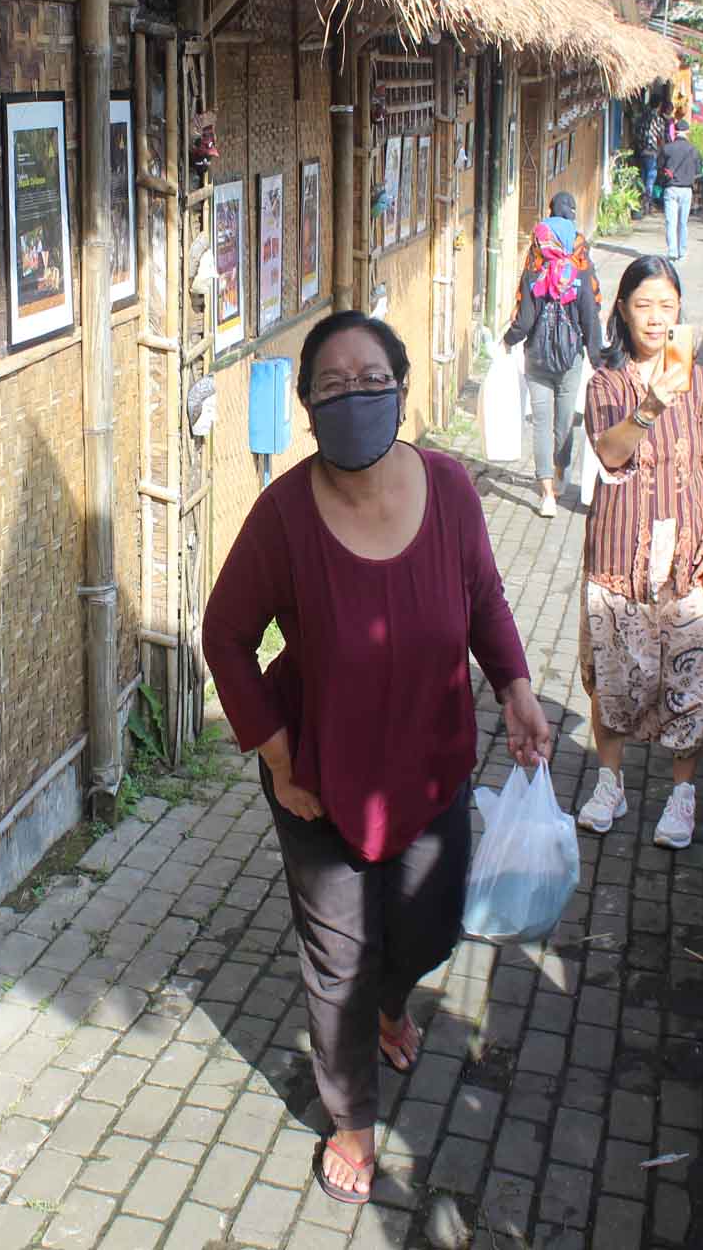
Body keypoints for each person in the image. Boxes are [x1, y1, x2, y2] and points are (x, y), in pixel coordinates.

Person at [202, 311, 554, 1207]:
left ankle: (395, 1004)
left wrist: (514, 685)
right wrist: (278, 758)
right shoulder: (284, 516)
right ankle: (351, 1117)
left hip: (431, 768)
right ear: (309, 406)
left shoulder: (450, 487)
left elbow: (482, 595)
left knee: (430, 929)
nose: (354, 397)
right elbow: (226, 636)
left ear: (400, 386)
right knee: (340, 962)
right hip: (318, 777)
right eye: (333, 385)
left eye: (372, 380)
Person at [576, 256, 703, 852]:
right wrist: (650, 406)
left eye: (666, 305)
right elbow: (611, 454)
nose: (655, 316)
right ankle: (610, 783)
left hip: (690, 561)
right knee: (613, 679)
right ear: (621, 309)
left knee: (693, 678)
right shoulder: (606, 382)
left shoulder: (698, 379)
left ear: (678, 312)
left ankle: (681, 795)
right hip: (619, 557)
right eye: (643, 304)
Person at [503, 191, 604, 518]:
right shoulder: (581, 270)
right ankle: (560, 476)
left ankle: (546, 495)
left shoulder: (534, 269)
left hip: (537, 358)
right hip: (570, 359)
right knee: (564, 423)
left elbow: (525, 321)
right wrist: (597, 357)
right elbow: (590, 317)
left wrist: (508, 340)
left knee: (541, 424)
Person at [658, 125, 703, 262]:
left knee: (671, 222)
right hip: (686, 190)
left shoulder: (667, 148)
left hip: (671, 188)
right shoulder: (693, 150)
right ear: (687, 132)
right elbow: (699, 170)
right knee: (683, 223)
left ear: (675, 132)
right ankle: (682, 252)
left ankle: (672, 251)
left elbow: (659, 165)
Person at [636, 103, 665, 215]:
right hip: (652, 152)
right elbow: (660, 137)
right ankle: (648, 204)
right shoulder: (658, 120)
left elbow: (637, 134)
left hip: (641, 152)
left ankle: (642, 203)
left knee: (643, 178)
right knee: (650, 179)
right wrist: (662, 152)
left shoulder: (641, 118)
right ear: (659, 106)